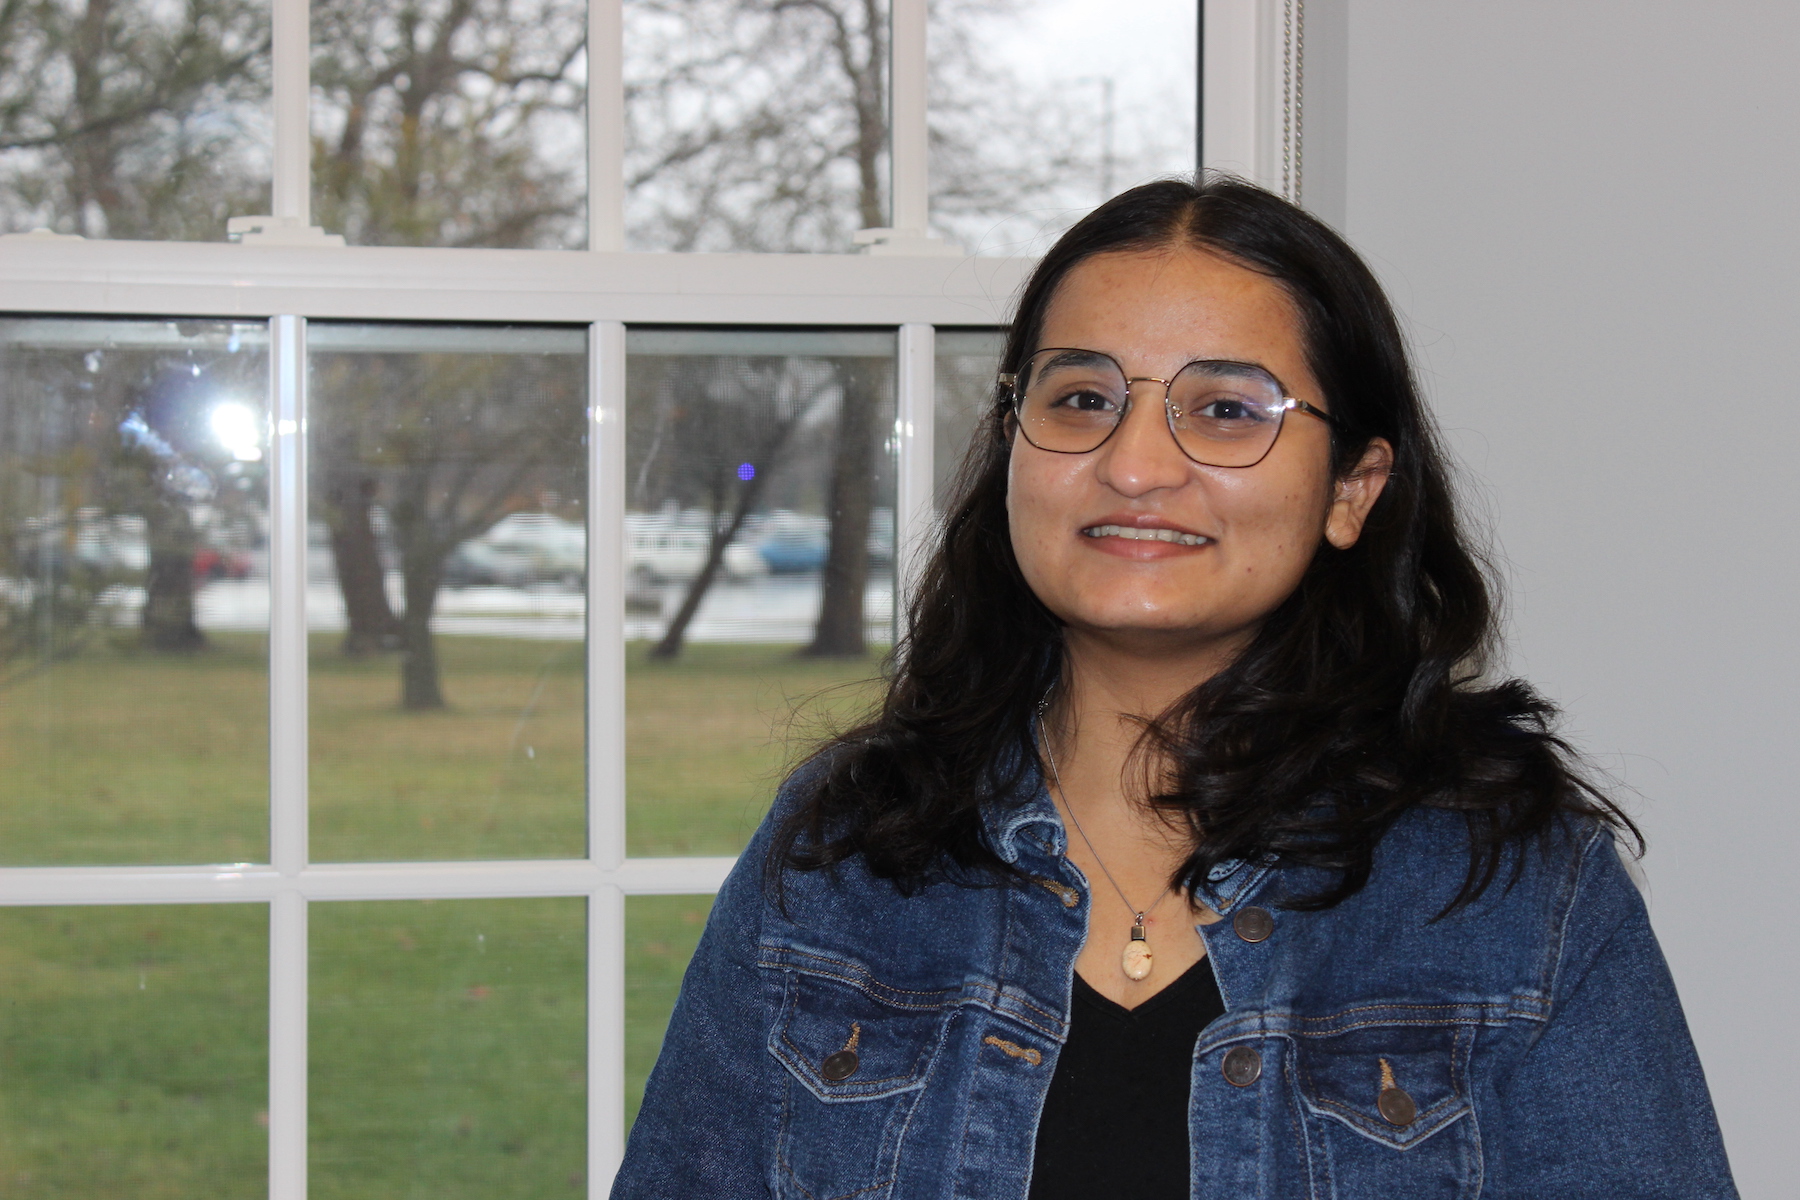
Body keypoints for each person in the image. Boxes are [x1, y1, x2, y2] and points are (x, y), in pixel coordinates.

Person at [612, 177, 1737, 1199]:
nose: (1136, 463)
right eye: (1082, 399)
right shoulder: (840, 853)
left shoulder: (1516, 887)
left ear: (1354, 488)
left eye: (1228, 409)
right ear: (1014, 446)